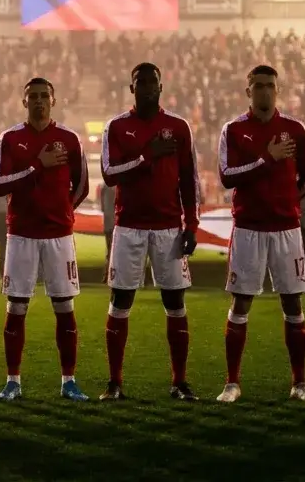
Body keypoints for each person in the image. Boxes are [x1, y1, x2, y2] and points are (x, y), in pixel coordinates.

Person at [215, 64, 305, 404]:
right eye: (257, 86)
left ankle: (300, 384)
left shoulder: (295, 129)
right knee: (241, 302)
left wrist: (289, 202)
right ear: (248, 92)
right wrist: (266, 159)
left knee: (293, 302)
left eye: (269, 86)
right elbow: (227, 177)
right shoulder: (233, 130)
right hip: (248, 228)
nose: (264, 91)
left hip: (286, 228)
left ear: (278, 90)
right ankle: (232, 383)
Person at [98, 62, 200, 401]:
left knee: (175, 302)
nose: (146, 86)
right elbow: (110, 174)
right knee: (120, 300)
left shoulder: (178, 127)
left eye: (151, 81)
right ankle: (114, 382)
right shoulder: (117, 126)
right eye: (139, 82)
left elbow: (189, 179)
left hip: (169, 227)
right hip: (128, 227)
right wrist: (147, 156)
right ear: (131, 88)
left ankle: (180, 382)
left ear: (161, 86)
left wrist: (192, 225)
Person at [0, 77, 90, 402]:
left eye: (44, 95)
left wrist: (62, 211)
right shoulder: (11, 138)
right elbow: (1, 183)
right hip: (21, 235)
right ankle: (13, 382)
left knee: (64, 307)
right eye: (32, 96)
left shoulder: (69, 139)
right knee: (16, 307)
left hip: (58, 236)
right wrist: (37, 166)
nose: (38, 101)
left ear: (53, 100)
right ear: (24, 102)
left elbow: (82, 186)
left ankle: (69, 381)